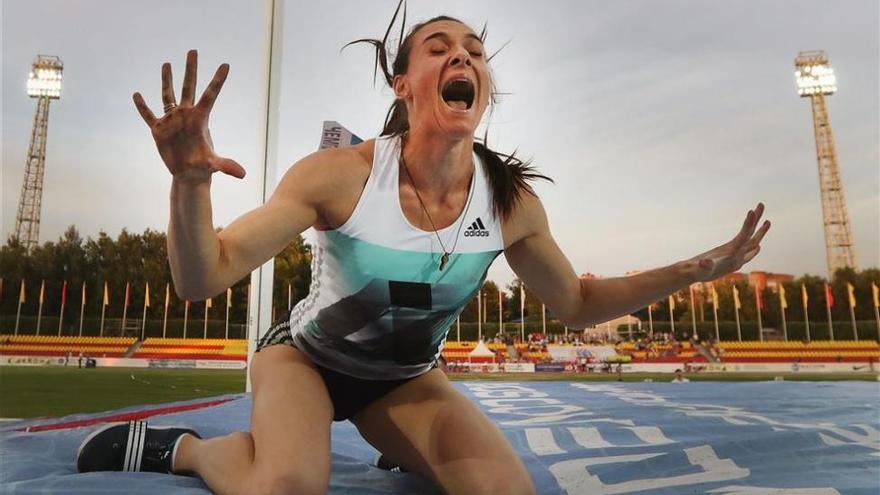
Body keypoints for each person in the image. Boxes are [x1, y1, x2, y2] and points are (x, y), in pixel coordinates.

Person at [75, 8, 770, 495]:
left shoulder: (510, 203)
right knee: (286, 484)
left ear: (484, 86)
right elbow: (204, 276)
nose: (461, 54)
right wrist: (190, 185)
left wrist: (689, 272)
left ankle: (400, 449)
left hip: (405, 376)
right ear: (402, 85)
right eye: (438, 46)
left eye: (472, 48)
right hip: (307, 360)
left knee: (504, 489)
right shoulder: (340, 175)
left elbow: (579, 305)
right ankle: (182, 449)